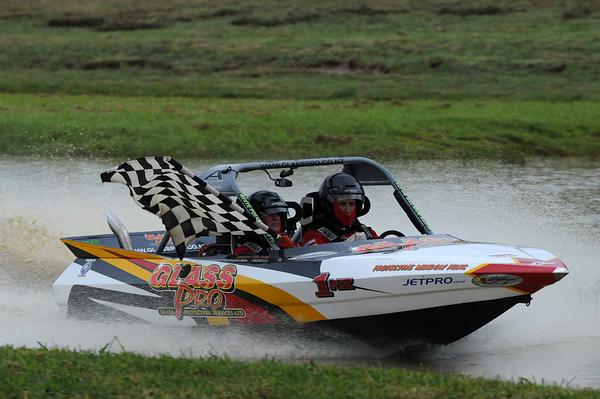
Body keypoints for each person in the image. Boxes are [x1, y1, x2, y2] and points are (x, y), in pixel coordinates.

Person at [301, 172, 377, 246]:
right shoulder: (314, 236)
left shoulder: (367, 232)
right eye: (342, 204)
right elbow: (315, 257)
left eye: (351, 204)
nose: (348, 210)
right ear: (329, 206)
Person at [233, 190, 297, 256]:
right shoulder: (245, 250)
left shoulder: (290, 243)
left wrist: (290, 248)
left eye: (278, 214)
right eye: (270, 214)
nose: (275, 218)